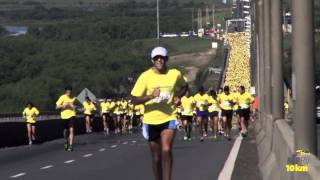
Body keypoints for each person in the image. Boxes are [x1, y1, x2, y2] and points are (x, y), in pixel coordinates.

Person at [131, 47, 188, 180]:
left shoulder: (174, 74)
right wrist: (150, 96)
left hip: (169, 117)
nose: (159, 60)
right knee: (156, 158)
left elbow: (184, 86)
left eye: (162, 57)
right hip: (151, 120)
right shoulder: (145, 77)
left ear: (166, 59)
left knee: (166, 149)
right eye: (156, 58)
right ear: (152, 60)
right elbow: (134, 99)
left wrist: (178, 96)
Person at [56, 86, 76, 151]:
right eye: (68, 91)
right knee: (65, 131)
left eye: (70, 91)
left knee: (71, 130)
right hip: (64, 116)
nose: (69, 93)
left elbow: (79, 107)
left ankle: (71, 146)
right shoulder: (62, 97)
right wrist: (63, 106)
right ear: (66, 91)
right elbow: (56, 107)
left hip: (72, 115)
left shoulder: (74, 98)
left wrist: (73, 106)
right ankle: (66, 141)